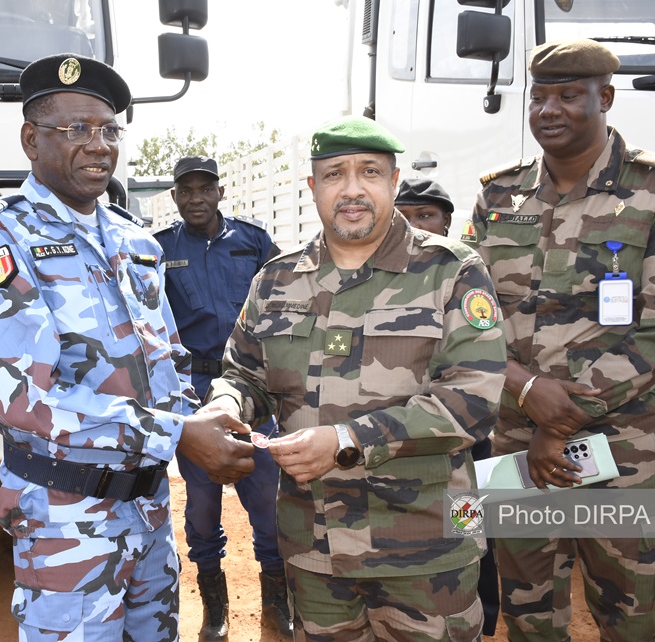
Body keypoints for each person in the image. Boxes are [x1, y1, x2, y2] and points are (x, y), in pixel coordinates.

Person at [0, 53, 256, 642]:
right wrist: (175, 436)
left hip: (147, 509)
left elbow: (168, 358)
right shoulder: (0, 238)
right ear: (30, 139)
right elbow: (23, 402)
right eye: (75, 130)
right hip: (67, 518)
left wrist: (205, 415)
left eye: (109, 130)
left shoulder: (134, 239)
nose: (98, 145)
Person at [203, 114, 507, 641]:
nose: (352, 189)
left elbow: (472, 400)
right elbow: (243, 372)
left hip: (425, 550)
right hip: (313, 550)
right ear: (312, 187)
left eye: (369, 172)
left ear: (393, 182)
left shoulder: (451, 271)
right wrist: (222, 405)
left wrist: (346, 440)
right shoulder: (276, 279)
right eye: (334, 174)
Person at [462, 38, 655, 642]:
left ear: (606, 98)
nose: (549, 109)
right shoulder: (499, 196)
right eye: (539, 96)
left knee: (633, 612)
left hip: (625, 450)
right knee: (527, 612)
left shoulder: (648, 193)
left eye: (569, 96)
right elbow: (468, 316)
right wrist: (525, 391)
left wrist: (561, 420)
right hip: (517, 442)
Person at [152, 156, 291, 640]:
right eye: (185, 191)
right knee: (202, 507)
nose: (195, 199)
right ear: (174, 197)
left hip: (252, 387)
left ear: (218, 192)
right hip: (195, 392)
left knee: (267, 502)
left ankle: (278, 606)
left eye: (203, 189)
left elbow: (284, 299)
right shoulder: (161, 248)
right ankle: (215, 611)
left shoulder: (252, 241)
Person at [395, 177, 500, 638]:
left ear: (447, 221)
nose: (417, 224)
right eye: (407, 215)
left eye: (427, 215)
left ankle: (484, 613)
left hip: (461, 444)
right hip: (399, 439)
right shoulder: (384, 277)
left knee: (468, 534)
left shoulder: (464, 272)